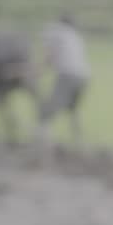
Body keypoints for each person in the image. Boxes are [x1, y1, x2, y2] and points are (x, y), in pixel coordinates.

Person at [36, 13, 90, 147]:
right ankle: (78, 141)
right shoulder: (75, 35)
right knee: (73, 109)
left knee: (46, 112)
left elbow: (50, 55)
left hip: (68, 75)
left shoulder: (56, 32)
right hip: (83, 77)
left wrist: (39, 70)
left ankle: (43, 144)